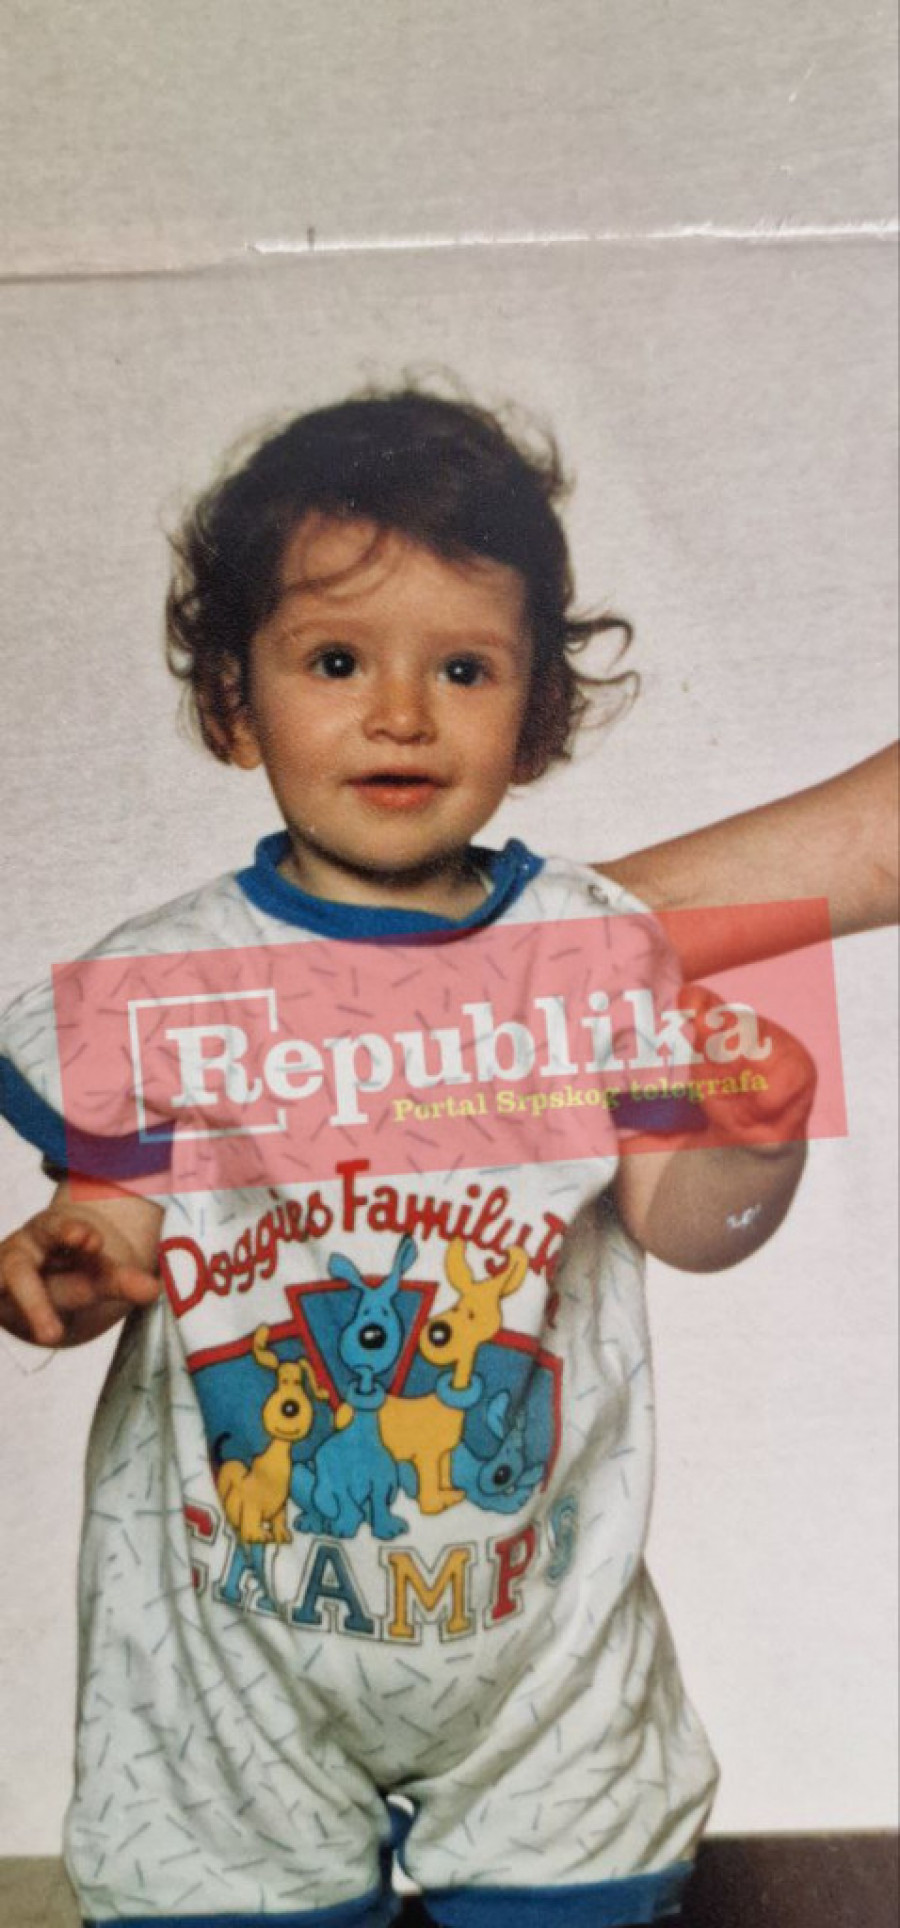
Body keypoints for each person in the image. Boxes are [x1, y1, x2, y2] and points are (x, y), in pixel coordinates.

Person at [0, 389, 835, 1928]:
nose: (401, 713)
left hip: (545, 1651)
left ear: (538, 714)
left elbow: (687, 1226)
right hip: (228, 1668)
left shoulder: (595, 952)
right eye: (337, 662)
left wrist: (753, 1137)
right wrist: (78, 1262)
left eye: (463, 668)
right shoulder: (164, 982)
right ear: (233, 704)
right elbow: (108, 1219)